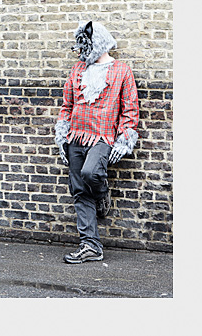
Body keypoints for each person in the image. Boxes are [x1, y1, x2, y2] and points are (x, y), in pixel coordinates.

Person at [55, 21, 139, 264]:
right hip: (75, 137)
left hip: (102, 137)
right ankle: (90, 245)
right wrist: (63, 135)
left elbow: (130, 110)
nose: (81, 51)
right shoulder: (77, 70)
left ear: (98, 43)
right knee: (79, 189)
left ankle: (102, 195)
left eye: (86, 45)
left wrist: (124, 139)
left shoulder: (122, 71)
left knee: (92, 174)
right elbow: (67, 105)